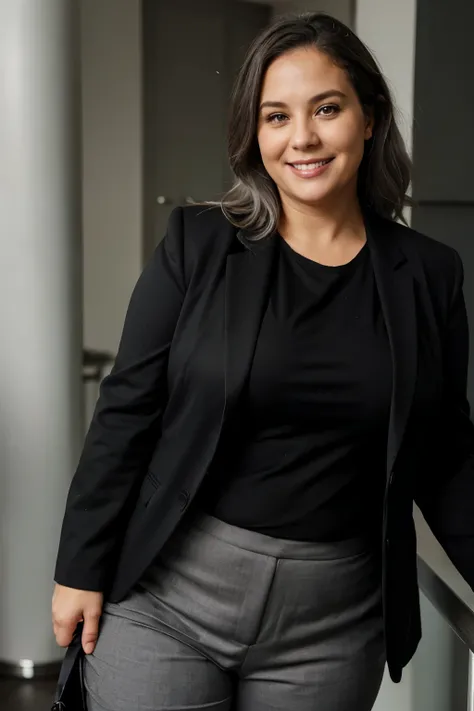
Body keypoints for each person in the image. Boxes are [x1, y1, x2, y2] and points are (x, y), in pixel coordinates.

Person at [52, 12, 474, 711]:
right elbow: (126, 412)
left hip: (332, 621)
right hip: (170, 595)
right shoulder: (198, 245)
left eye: (327, 109)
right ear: (255, 134)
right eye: (275, 116)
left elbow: (448, 453)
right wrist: (79, 568)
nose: (301, 137)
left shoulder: (429, 275)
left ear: (369, 119)